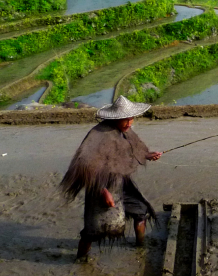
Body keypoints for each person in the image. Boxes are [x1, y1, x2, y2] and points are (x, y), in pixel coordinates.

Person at [60, 96, 163, 261]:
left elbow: (134, 150)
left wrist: (149, 155)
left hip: (121, 182)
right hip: (99, 186)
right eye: (125, 119)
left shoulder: (126, 132)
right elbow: (86, 165)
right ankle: (80, 259)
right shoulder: (98, 135)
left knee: (140, 211)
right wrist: (103, 191)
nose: (129, 123)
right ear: (115, 118)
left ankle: (140, 247)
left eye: (131, 119)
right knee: (92, 231)